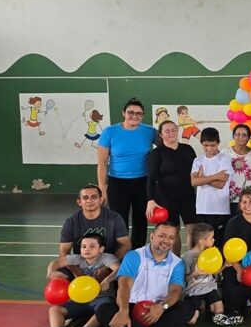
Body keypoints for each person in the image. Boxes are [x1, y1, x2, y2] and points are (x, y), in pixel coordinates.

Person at [96, 222, 195, 327]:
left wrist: (162, 307)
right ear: (152, 236)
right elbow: (124, 285)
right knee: (103, 311)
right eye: (162, 236)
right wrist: (123, 310)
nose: (166, 240)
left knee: (188, 308)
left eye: (171, 237)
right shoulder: (134, 256)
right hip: (131, 308)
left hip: (158, 311)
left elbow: (175, 291)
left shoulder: (177, 263)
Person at [34, 233, 119, 327]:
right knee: (54, 310)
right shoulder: (78, 258)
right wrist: (51, 272)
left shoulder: (107, 258)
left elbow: (119, 269)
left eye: (92, 246)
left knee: (102, 313)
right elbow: (57, 262)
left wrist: (107, 280)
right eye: (83, 246)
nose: (86, 249)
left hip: (101, 299)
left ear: (101, 249)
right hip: (81, 300)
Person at [97, 98, 157, 247]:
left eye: (139, 113)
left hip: (142, 182)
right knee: (119, 220)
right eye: (131, 112)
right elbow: (102, 163)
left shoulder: (149, 131)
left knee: (140, 220)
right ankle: (120, 254)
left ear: (142, 115)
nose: (134, 116)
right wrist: (102, 189)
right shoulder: (110, 132)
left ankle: (137, 254)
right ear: (123, 113)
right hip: (117, 183)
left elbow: (166, 148)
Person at [146, 120, 197, 255]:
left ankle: (190, 262)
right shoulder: (157, 154)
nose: (171, 133)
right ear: (161, 135)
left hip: (188, 196)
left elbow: (197, 172)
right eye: (167, 131)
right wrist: (150, 200)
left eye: (173, 130)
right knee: (173, 232)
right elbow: (151, 178)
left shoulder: (188, 149)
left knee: (192, 229)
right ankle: (175, 263)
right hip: (166, 198)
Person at [181, 223, 240, 326]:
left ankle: (214, 310)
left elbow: (214, 272)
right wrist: (195, 273)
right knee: (191, 321)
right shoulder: (187, 257)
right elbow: (184, 279)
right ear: (202, 241)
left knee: (219, 312)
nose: (214, 240)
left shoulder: (212, 253)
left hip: (209, 288)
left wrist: (224, 265)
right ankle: (196, 309)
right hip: (193, 291)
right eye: (211, 238)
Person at [59, 184, 130, 259]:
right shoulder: (71, 222)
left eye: (94, 197)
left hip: (109, 262)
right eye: (85, 198)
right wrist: (77, 270)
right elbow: (64, 252)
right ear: (79, 202)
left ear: (101, 200)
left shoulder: (115, 218)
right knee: (57, 269)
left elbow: (126, 245)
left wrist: (108, 266)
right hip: (81, 262)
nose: (89, 200)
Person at [190, 127, 232, 246]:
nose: (209, 149)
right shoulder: (198, 160)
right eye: (205, 145)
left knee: (218, 242)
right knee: (203, 243)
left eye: (212, 145)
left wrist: (202, 178)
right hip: (202, 208)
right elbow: (194, 182)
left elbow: (220, 184)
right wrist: (216, 176)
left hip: (220, 209)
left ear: (218, 143)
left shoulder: (224, 159)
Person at [225, 124, 251, 213]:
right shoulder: (225, 153)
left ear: (249, 137)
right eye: (237, 134)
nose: (240, 137)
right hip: (231, 199)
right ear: (233, 136)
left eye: (244, 135)